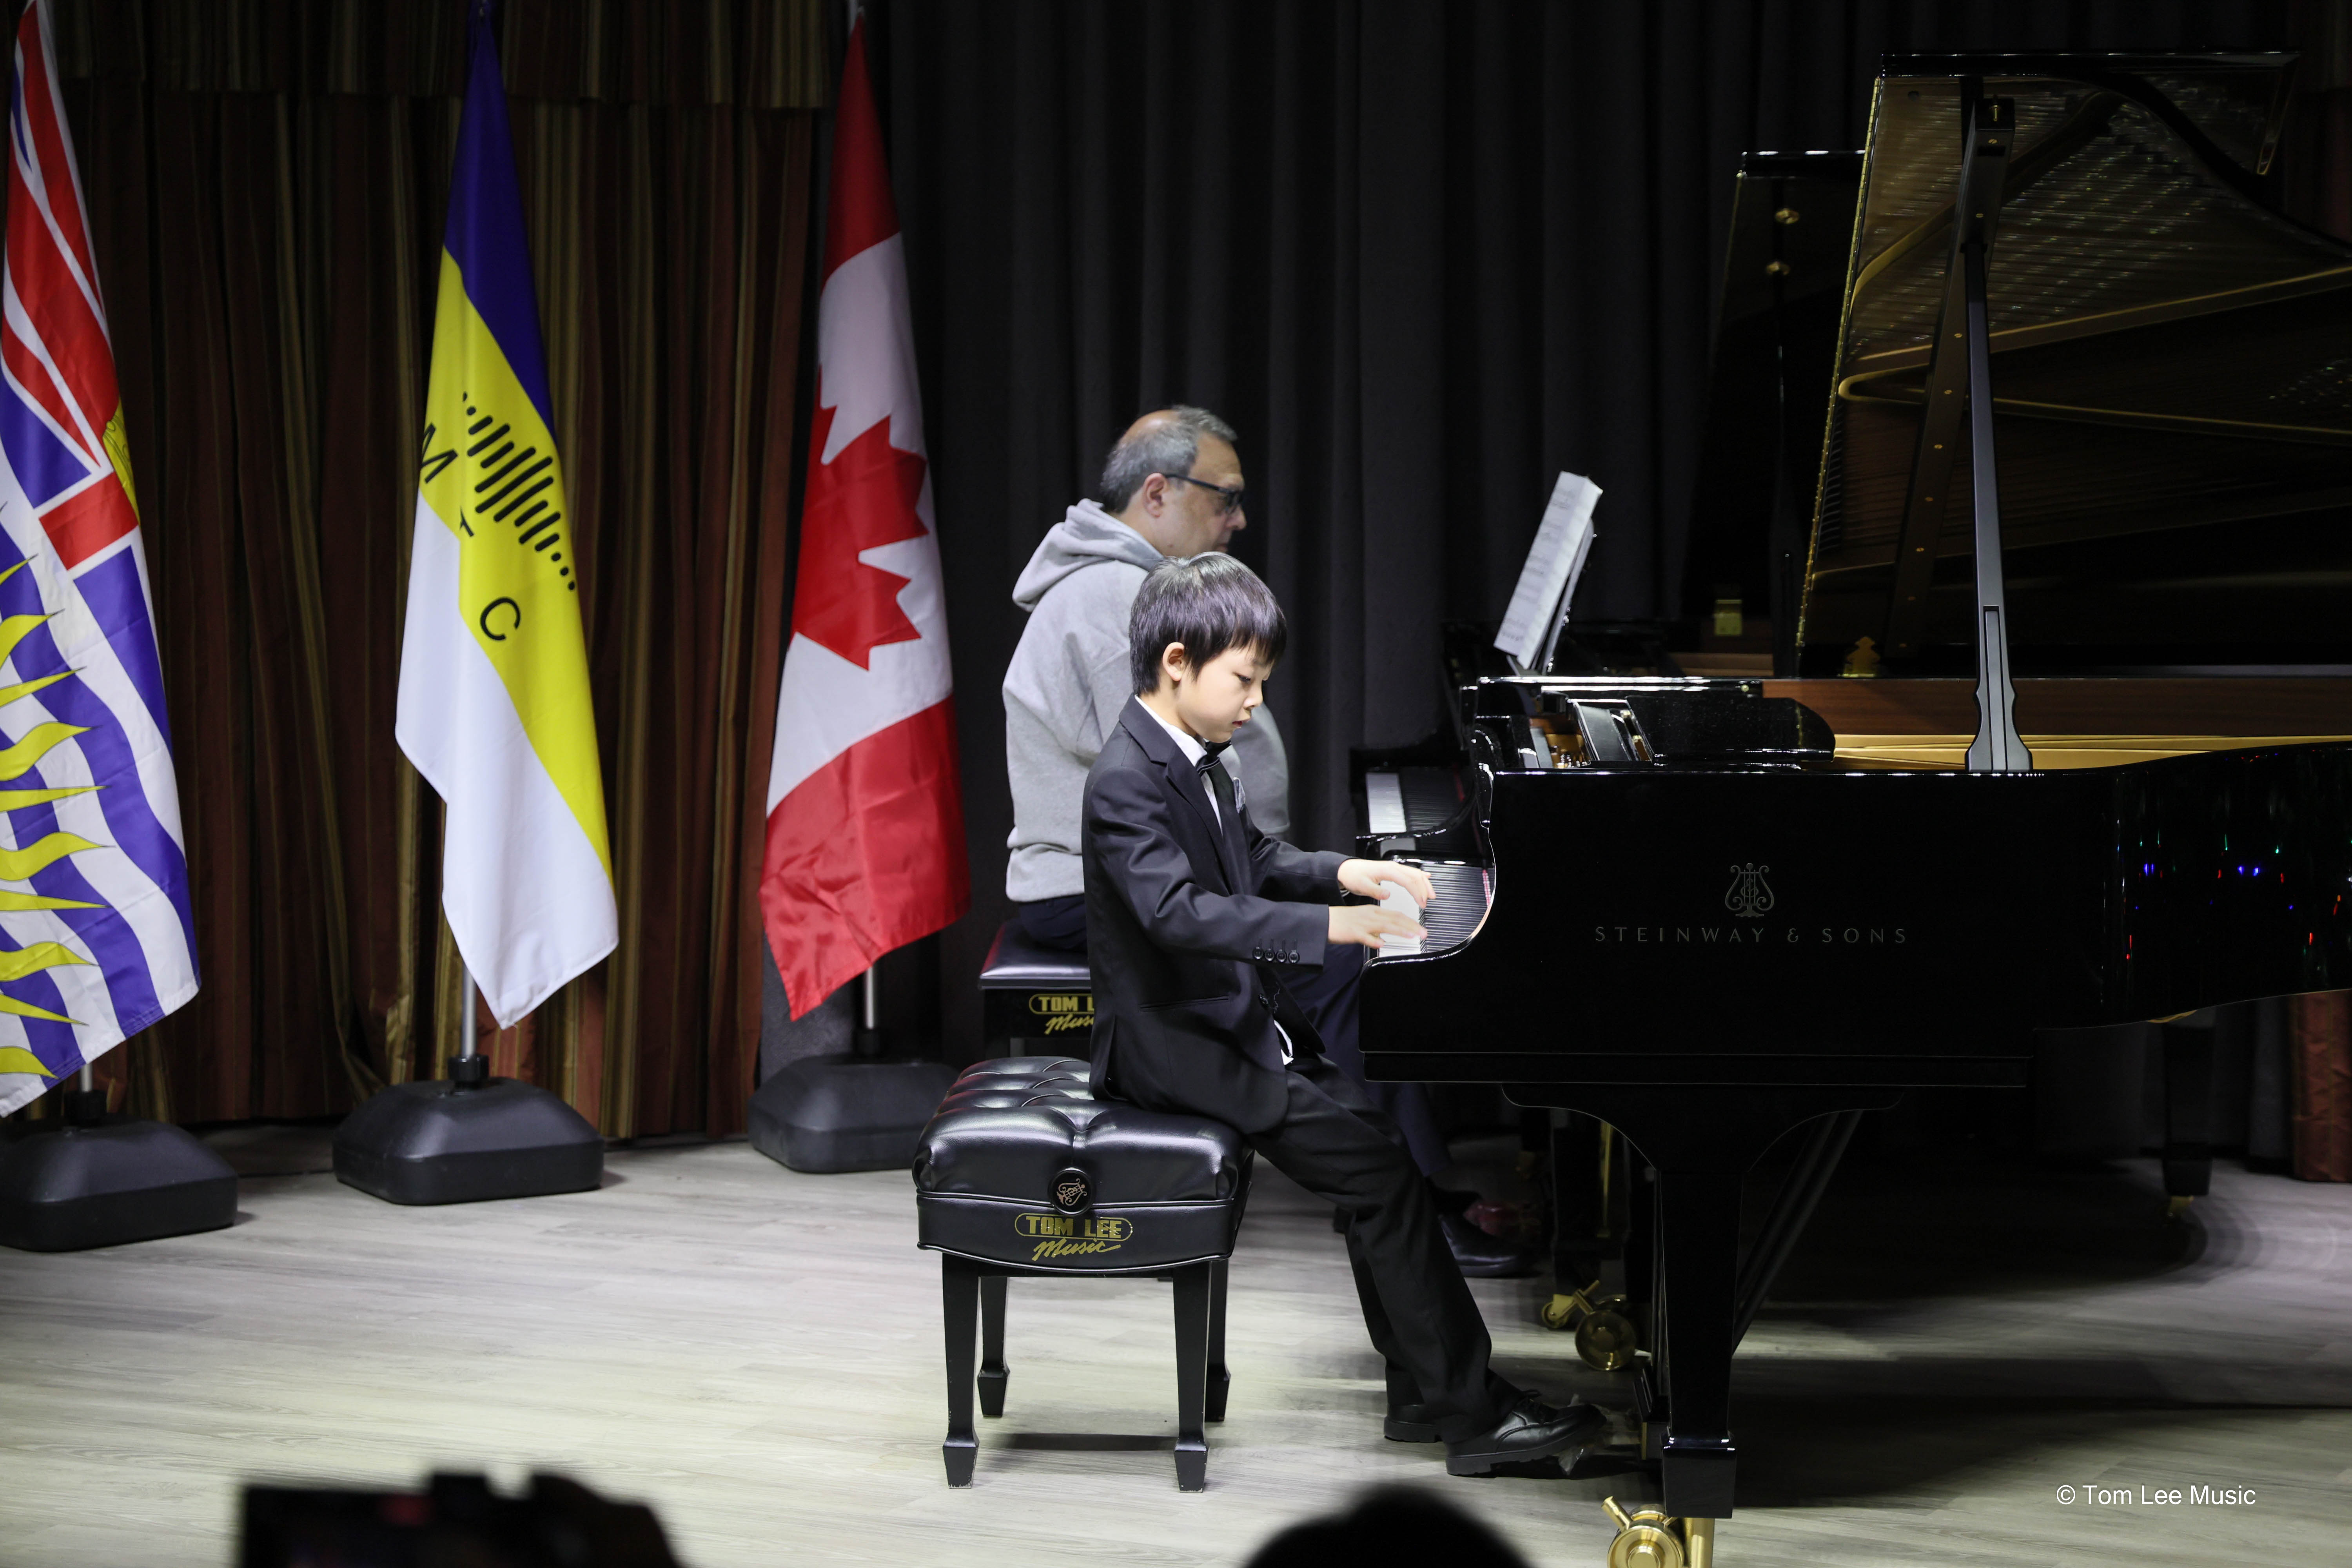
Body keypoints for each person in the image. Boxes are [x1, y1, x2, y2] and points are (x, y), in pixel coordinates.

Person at [1079, 554, 1602, 1472]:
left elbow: (1250, 855)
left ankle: (1424, 1391)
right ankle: (1473, 1415)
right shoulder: (1125, 778)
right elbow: (1178, 913)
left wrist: (1344, 871)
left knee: (1383, 1152)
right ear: (1176, 662)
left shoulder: (1195, 754)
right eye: (1245, 679)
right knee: (1381, 1172)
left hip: (1223, 1026)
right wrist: (1331, 925)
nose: (1255, 702)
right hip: (1175, 1048)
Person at [1001, 407, 1530, 1276]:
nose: (1240, 519)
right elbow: (1159, 810)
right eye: (1226, 498)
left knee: (1332, 948)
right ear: (1157, 493)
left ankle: (1379, 1169)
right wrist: (1314, 912)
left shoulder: (1136, 587)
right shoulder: (1106, 600)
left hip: (1176, 870)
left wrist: (1321, 878)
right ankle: (1407, 1198)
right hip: (1087, 891)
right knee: (1347, 969)